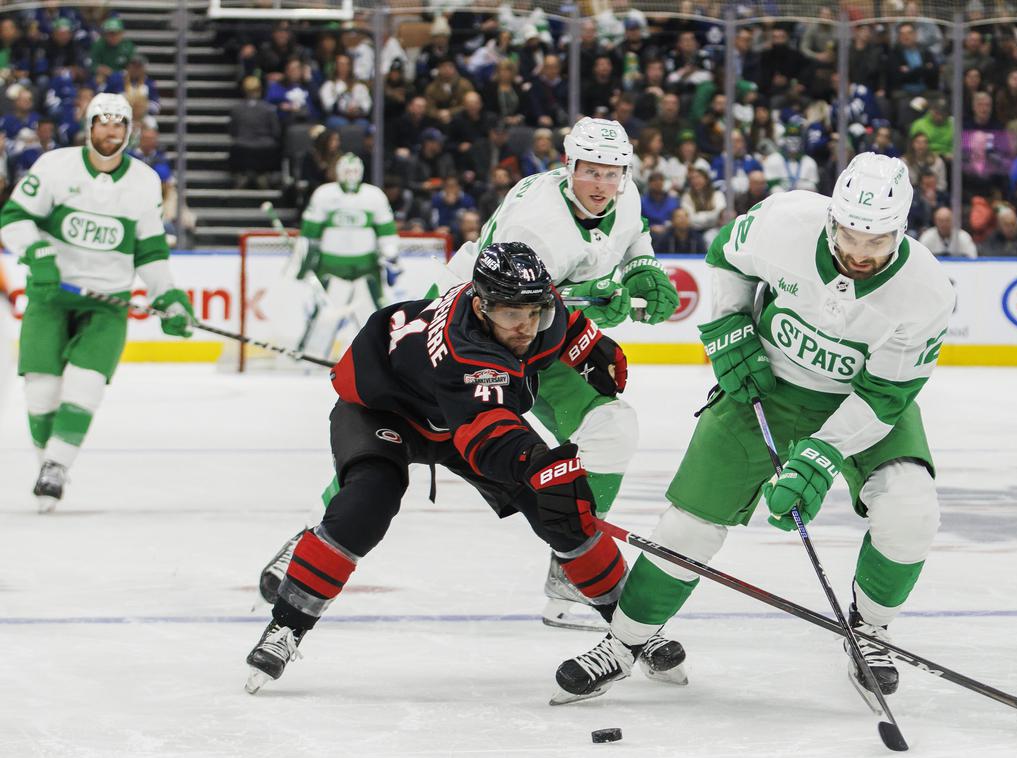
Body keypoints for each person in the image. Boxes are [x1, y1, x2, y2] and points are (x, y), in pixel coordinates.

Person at [552, 153, 954, 706]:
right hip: (763, 386)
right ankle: (624, 643)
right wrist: (729, 323)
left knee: (912, 508)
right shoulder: (786, 220)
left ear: (901, 231)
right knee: (688, 527)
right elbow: (727, 257)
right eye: (848, 235)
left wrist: (822, 456)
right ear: (832, 217)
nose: (859, 253)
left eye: (877, 242)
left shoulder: (927, 292)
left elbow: (886, 395)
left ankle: (871, 629)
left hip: (863, 403)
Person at [256, 117, 680, 632]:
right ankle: (316, 539)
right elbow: (519, 304)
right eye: (591, 171)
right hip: (474, 333)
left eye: (612, 173)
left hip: (527, 328)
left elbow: (632, 235)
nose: (602, 184)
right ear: (568, 167)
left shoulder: (622, 192)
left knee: (611, 426)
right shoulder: (537, 222)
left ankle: (573, 568)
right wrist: (604, 304)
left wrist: (645, 267)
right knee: (392, 441)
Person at [243, 242, 686, 693]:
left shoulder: (533, 311)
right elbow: (487, 438)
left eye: (534, 312)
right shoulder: (468, 351)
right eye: (513, 316)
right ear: (481, 305)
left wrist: (592, 348)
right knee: (366, 505)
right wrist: (542, 467)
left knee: (565, 514)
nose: (526, 327)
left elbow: (563, 324)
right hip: (385, 410)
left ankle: (634, 631)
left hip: (460, 412)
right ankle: (286, 625)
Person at [0, 93, 193, 513]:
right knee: (41, 393)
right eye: (104, 123)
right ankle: (49, 467)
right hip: (51, 297)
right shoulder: (54, 167)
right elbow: (13, 218)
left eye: (119, 124)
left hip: (108, 304)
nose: (111, 131)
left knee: (84, 386)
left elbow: (150, 251)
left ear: (129, 130)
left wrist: (169, 297)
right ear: (89, 127)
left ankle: (54, 466)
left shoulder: (143, 181)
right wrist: (38, 254)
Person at [295, 153, 401, 360]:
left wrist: (390, 257)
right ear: (338, 172)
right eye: (347, 170)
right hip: (330, 264)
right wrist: (305, 260)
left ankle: (389, 353)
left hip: (367, 264)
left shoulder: (374, 196)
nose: (351, 175)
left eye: (355, 170)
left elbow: (386, 231)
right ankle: (308, 352)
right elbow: (310, 233)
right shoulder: (324, 194)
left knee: (381, 309)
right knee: (320, 310)